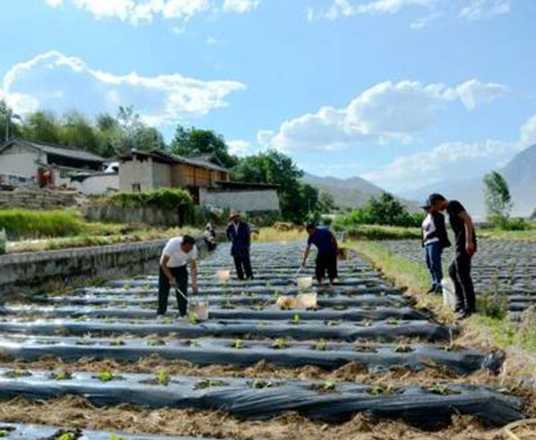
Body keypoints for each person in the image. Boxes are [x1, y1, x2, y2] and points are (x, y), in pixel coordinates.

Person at [429, 194, 477, 319]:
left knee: (462, 274)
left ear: (439, 201)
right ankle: (460, 304)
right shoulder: (450, 210)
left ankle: (470, 307)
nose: (436, 209)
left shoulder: (453, 204)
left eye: (435, 206)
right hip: (460, 246)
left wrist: (469, 241)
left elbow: (468, 220)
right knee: (454, 271)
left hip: (465, 245)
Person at [157, 234, 199, 319]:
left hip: (181, 267)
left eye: (190, 248)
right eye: (187, 249)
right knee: (163, 291)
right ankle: (161, 313)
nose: (189, 251)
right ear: (182, 245)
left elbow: (193, 267)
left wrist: (194, 283)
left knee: (182, 290)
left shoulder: (193, 249)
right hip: (166, 267)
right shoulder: (172, 245)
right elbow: (163, 264)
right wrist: (171, 278)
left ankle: (183, 313)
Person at [421, 202, 451, 294]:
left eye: (428, 208)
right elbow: (423, 231)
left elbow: (440, 230)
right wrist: (423, 241)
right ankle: (434, 284)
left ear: (433, 208)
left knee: (435, 264)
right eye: (425, 208)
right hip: (427, 243)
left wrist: (429, 236)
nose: (426, 210)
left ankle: (439, 286)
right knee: (429, 264)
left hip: (435, 242)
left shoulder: (439, 216)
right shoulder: (426, 217)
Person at [226, 211, 254, 280]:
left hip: (244, 247)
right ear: (232, 219)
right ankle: (240, 276)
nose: (235, 219)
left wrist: (247, 245)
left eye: (236, 217)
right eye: (233, 218)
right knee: (237, 264)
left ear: (239, 218)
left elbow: (248, 236)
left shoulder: (244, 225)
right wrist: (232, 241)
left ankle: (249, 276)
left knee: (246, 263)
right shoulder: (230, 227)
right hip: (235, 247)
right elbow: (228, 235)